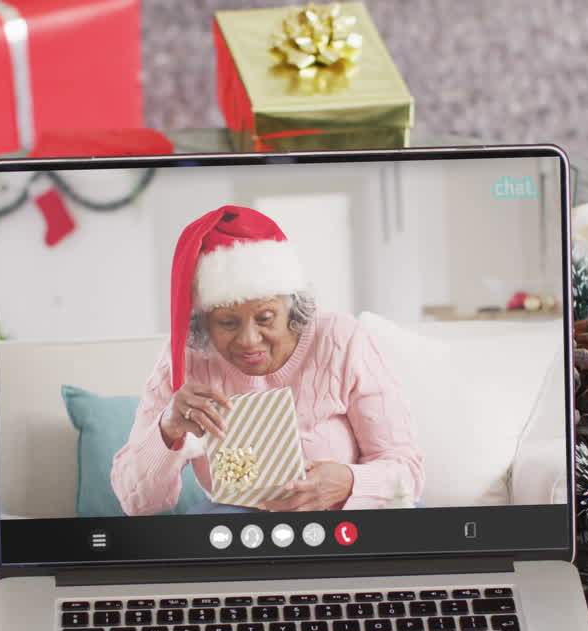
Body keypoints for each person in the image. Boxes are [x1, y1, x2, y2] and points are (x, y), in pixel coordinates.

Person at [110, 205, 424, 515]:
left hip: (345, 516)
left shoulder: (341, 340)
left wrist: (348, 481)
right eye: (228, 323)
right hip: (238, 525)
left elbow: (407, 472)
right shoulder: (185, 360)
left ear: (292, 307)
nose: (249, 339)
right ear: (203, 322)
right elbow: (136, 504)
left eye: (264, 317)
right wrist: (168, 428)